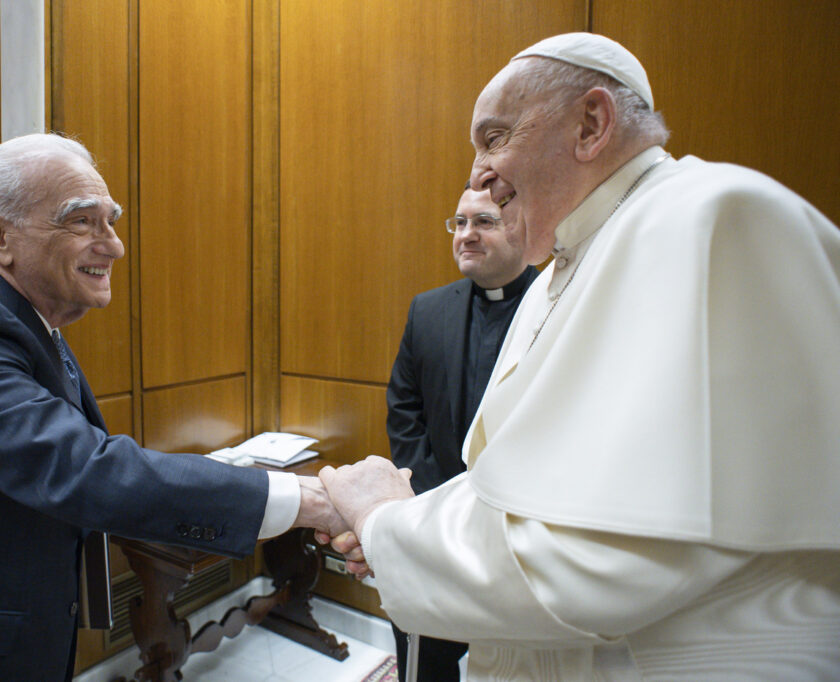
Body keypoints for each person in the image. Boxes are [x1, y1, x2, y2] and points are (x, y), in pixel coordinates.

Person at [319, 33, 840, 679]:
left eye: (494, 137)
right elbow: (520, 493)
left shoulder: (710, 218)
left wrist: (384, 523)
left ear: (591, 124)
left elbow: (600, 559)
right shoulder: (568, 262)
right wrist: (406, 526)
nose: (478, 174)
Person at [0, 133, 344, 681]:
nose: (113, 245)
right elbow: (83, 469)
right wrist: (310, 500)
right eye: (82, 222)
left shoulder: (24, 322)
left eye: (111, 221)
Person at [386, 185, 535, 680]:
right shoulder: (427, 310)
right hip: (435, 519)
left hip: (524, 533)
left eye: (484, 222)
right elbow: (404, 410)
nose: (466, 235)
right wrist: (437, 501)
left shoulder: (559, 306)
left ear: (520, 225)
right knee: (427, 655)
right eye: (458, 222)